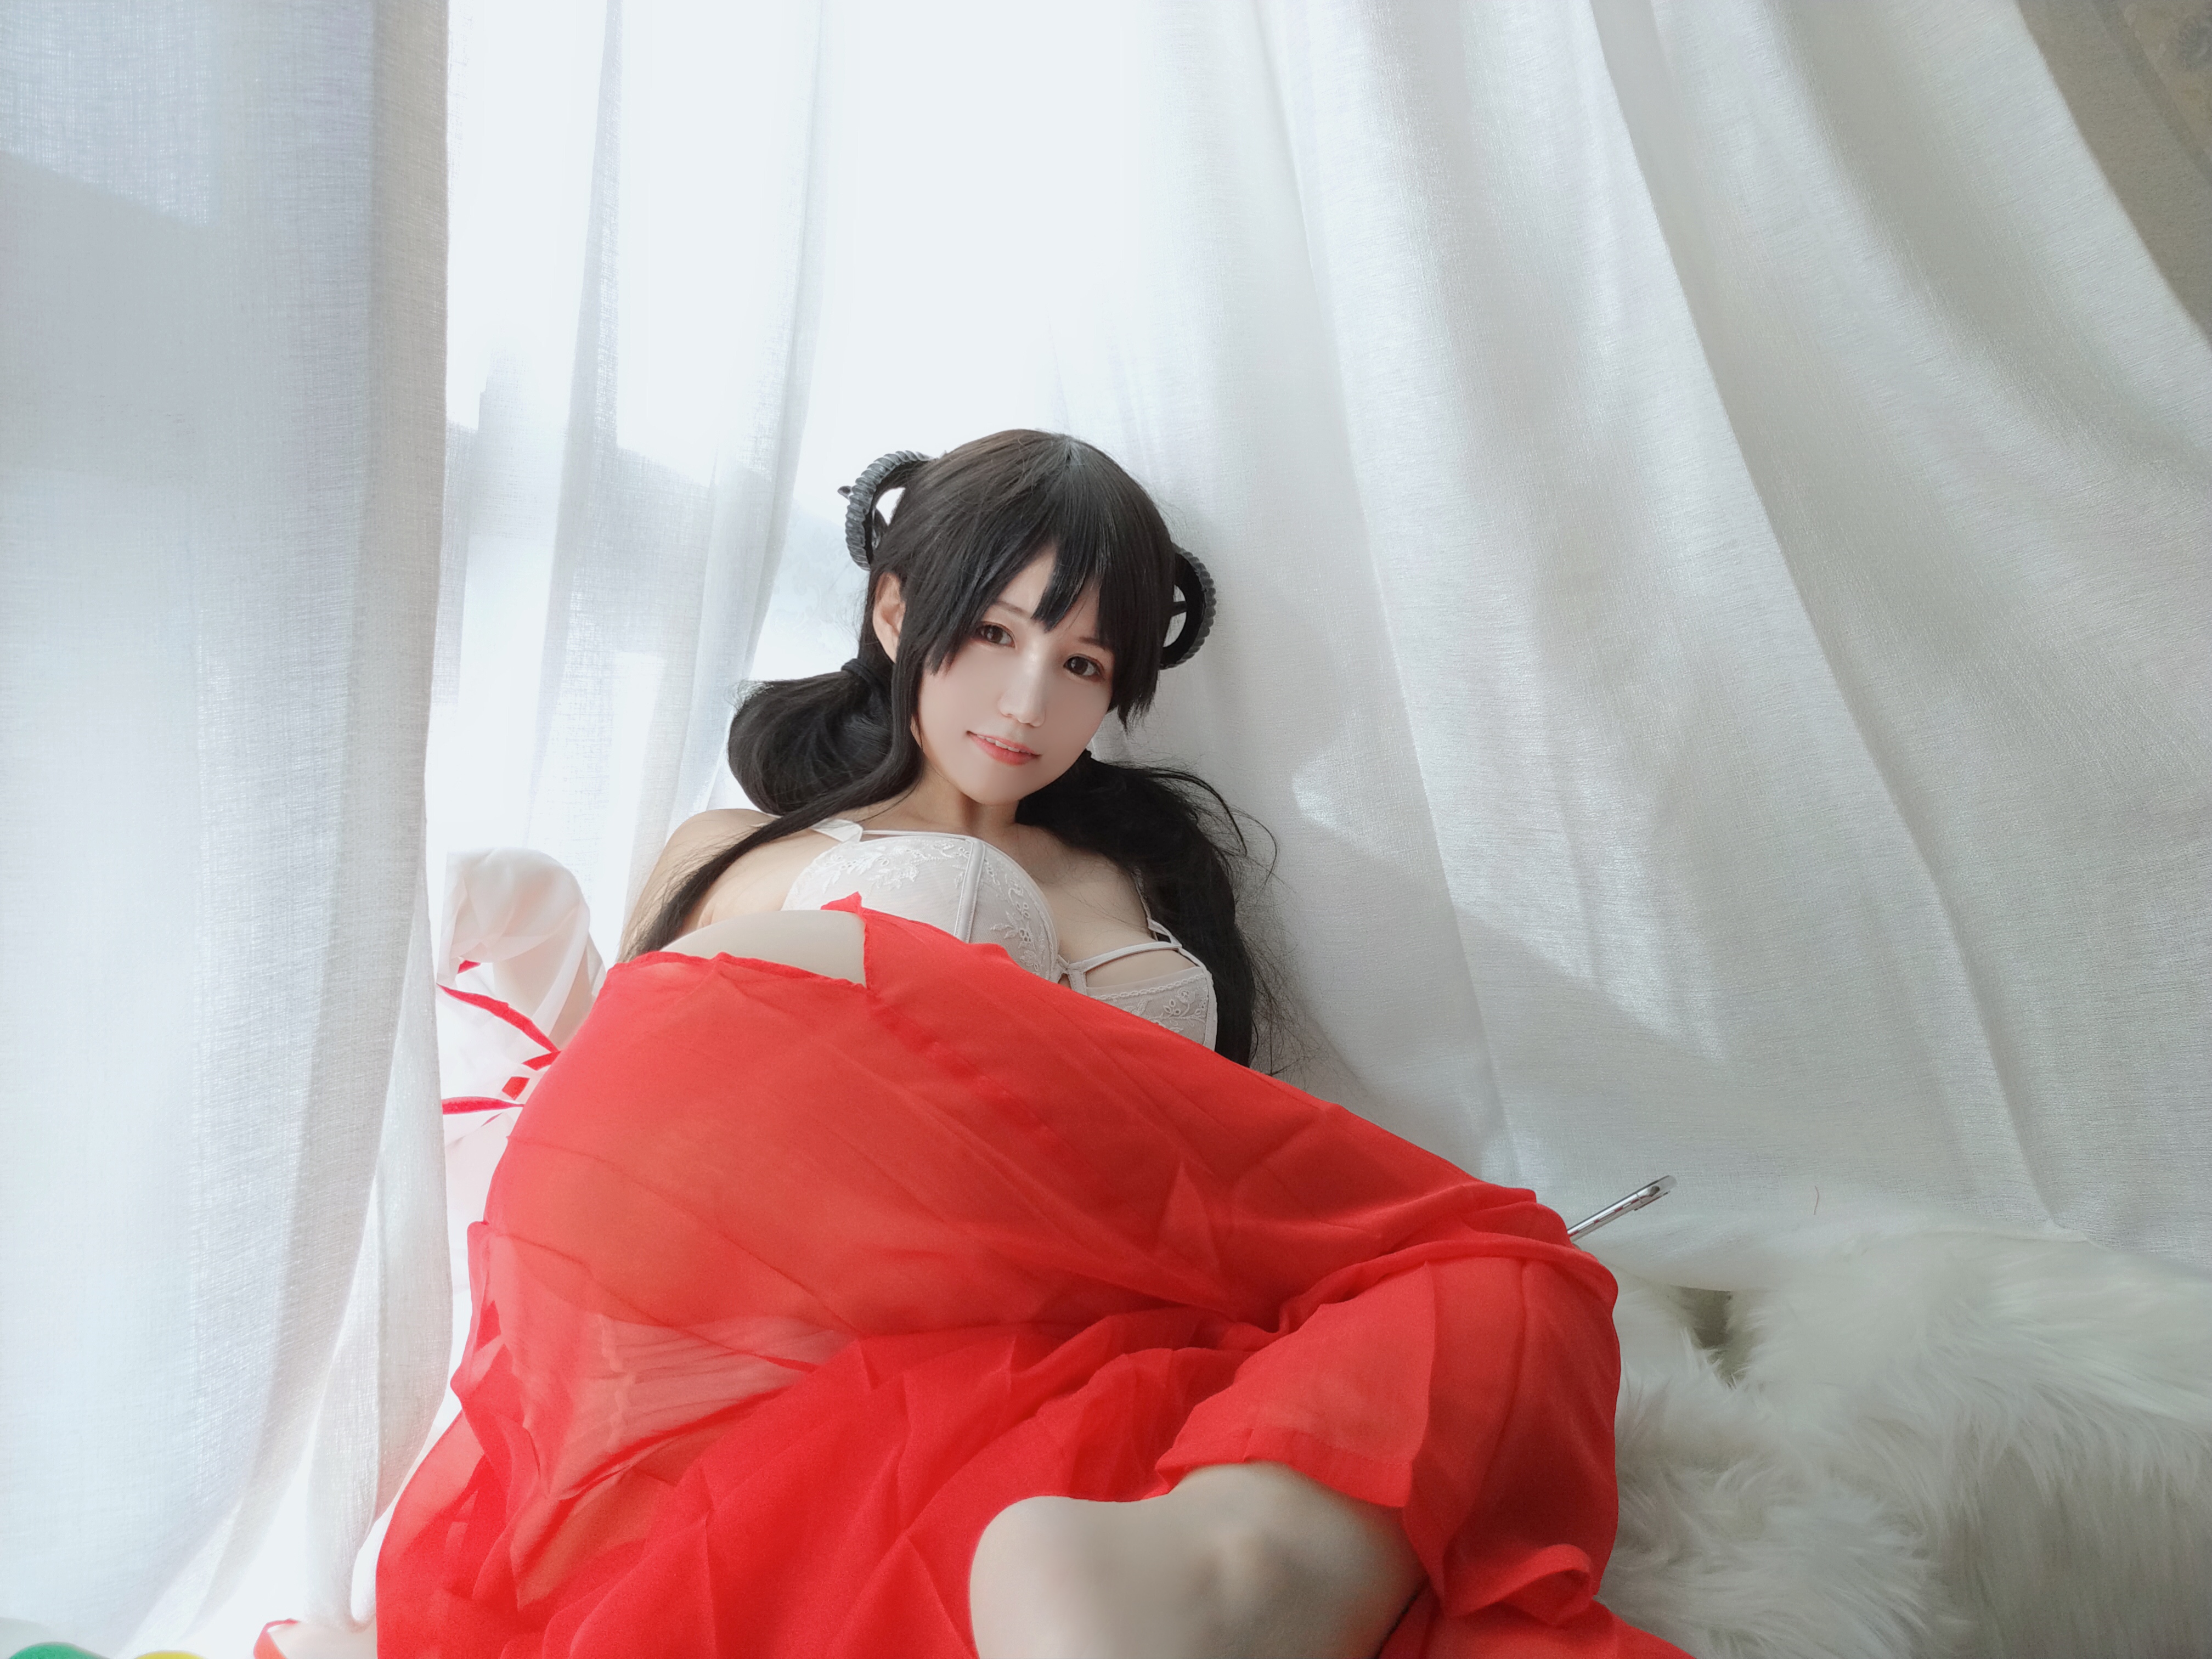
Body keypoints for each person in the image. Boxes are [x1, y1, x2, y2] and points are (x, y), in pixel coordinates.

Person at [376, 431, 1686, 1658]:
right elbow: (627, 1128)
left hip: (1136, 1315)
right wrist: (528, 924)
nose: (1026, 701)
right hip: (864, 1329)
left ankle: (1227, 1572)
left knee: (1516, 1288)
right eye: (993, 634)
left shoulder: (1148, 873)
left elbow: (1213, 1142)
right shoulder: (738, 852)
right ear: (898, 614)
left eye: (1082, 666)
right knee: (1491, 1246)